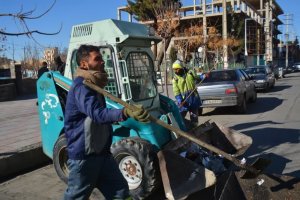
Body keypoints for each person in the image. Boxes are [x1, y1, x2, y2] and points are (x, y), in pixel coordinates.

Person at [64, 44, 150, 200]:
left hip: (102, 155)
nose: (102, 62)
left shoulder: (94, 84)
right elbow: (97, 114)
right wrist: (125, 112)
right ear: (84, 64)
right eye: (97, 59)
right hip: (84, 158)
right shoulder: (81, 87)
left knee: (120, 192)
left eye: (102, 58)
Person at [172, 60, 202, 127]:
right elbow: (176, 91)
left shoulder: (190, 73)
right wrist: (180, 100)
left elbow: (198, 78)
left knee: (194, 117)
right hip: (184, 100)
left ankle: (195, 129)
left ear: (181, 67)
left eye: (177, 69)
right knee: (180, 117)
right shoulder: (175, 79)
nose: (176, 71)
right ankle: (182, 130)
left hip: (193, 98)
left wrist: (203, 76)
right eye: (174, 70)